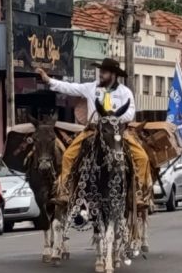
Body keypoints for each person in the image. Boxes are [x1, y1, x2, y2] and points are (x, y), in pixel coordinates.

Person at [37, 58, 151, 207]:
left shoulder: (125, 92)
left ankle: (138, 193)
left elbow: (130, 112)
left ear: (113, 74)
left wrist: (112, 118)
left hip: (117, 132)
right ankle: (64, 191)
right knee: (68, 156)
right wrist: (48, 80)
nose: (100, 74)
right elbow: (70, 87)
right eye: (100, 71)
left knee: (142, 157)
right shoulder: (91, 88)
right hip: (93, 130)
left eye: (104, 72)